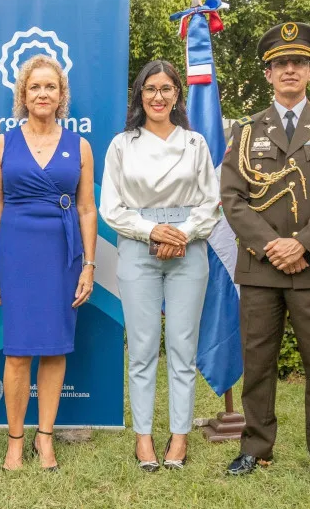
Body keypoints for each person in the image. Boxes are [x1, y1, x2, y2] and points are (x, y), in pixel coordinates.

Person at [220, 22, 310, 487]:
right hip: (262, 269)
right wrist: (271, 246)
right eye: (280, 63)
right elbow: (232, 198)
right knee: (257, 364)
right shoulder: (245, 130)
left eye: (298, 62)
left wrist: (301, 243)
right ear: (267, 73)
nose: (289, 70)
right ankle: (255, 448)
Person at [99, 60, 220, 472]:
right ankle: (145, 438)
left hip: (189, 250)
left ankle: (180, 437)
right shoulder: (121, 145)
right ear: (139, 95)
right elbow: (111, 208)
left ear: (177, 96)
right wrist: (153, 232)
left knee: (183, 349)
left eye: (167, 88)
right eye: (150, 88)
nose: (158, 96)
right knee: (143, 348)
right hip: (137, 250)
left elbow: (210, 202)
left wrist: (180, 233)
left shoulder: (195, 144)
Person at [0, 55, 97, 472]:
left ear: (61, 95)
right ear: (23, 95)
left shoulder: (79, 145)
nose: (43, 93)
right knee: (17, 353)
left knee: (54, 348)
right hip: (16, 253)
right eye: (35, 87)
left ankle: (44, 438)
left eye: (51, 87)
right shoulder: (2, 143)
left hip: (62, 255)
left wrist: (88, 265)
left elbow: (87, 209)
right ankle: (16, 440)